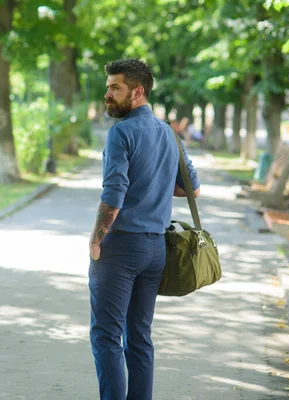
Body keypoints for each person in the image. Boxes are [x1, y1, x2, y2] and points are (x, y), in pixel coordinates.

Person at [88, 59, 200, 400]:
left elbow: (114, 194)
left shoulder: (121, 132)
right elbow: (192, 188)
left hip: (120, 249)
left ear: (138, 92)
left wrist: (96, 238)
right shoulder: (169, 131)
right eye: (108, 87)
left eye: (114, 87)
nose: (107, 94)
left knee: (106, 336)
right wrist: (156, 184)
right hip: (156, 251)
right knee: (139, 337)